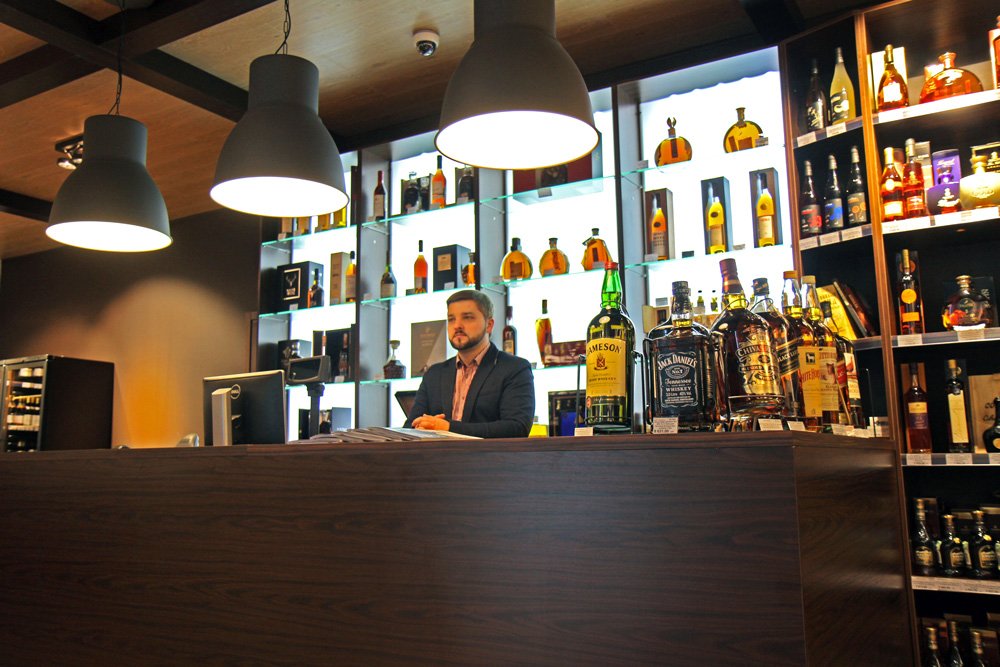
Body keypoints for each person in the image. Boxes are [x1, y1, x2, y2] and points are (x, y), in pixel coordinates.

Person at [405, 290, 535, 438]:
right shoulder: (434, 374)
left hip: (488, 454)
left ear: (489, 325)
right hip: (438, 453)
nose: (457, 325)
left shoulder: (514, 369)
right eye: (451, 319)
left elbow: (517, 428)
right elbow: (411, 427)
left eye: (467, 317)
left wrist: (448, 428)